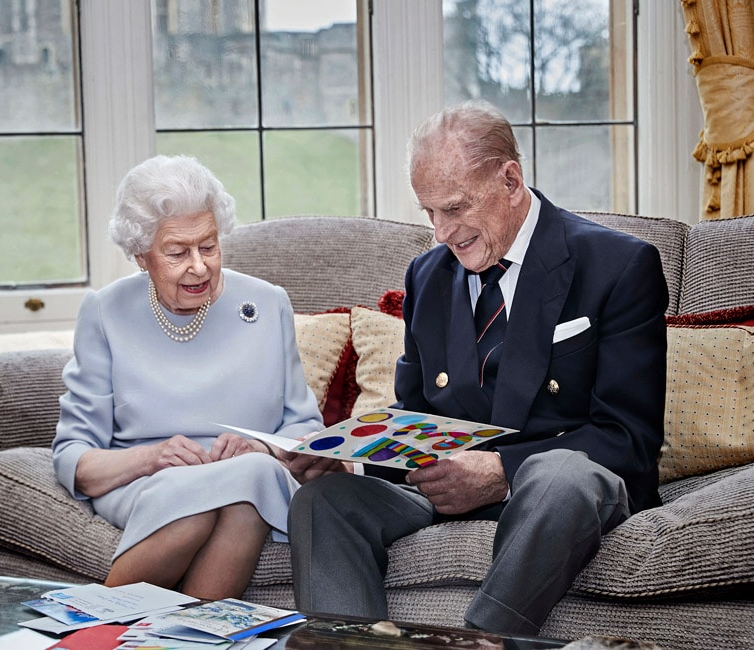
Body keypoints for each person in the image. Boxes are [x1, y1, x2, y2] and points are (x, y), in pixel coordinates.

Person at [285, 100, 668, 635]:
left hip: (555, 497)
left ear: (510, 180)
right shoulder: (428, 275)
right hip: (444, 492)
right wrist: (352, 458)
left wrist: (501, 473)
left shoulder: (618, 266)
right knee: (324, 501)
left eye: (456, 208)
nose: (442, 232)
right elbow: (416, 413)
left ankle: (478, 644)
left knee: (561, 475)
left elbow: (629, 438)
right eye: (429, 213)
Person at [53, 154, 323, 599]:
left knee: (247, 483)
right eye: (177, 252)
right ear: (141, 256)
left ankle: (93, 632)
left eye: (209, 246)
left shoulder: (267, 303)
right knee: (212, 502)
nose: (198, 266)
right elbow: (75, 457)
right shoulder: (105, 311)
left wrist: (259, 446)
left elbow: (305, 428)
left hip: (249, 472)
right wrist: (151, 458)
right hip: (144, 480)